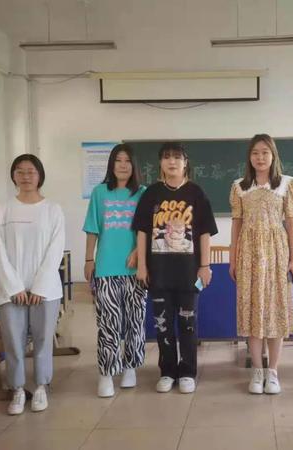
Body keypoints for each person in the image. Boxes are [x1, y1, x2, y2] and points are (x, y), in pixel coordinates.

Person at [132, 142, 218, 394]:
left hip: (189, 273)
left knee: (188, 325)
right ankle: (167, 371)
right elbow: (142, 231)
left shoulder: (196, 193)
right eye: (167, 157)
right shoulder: (151, 194)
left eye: (177, 157)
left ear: (185, 162)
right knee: (163, 325)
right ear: (160, 163)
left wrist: (205, 266)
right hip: (158, 273)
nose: (172, 161)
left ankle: (188, 371)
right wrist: (142, 266)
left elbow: (204, 232)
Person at [0, 154, 65, 415]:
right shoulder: (2, 210)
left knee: (43, 340)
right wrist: (14, 286)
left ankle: (41, 386)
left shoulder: (53, 210)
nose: (25, 176)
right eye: (20, 172)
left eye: (31, 171)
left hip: (46, 290)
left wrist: (40, 286)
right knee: (13, 341)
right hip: (10, 289)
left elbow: (55, 249)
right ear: (13, 176)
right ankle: (18, 389)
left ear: (40, 175)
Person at [229, 134, 293, 395]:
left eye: (265, 152)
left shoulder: (286, 184)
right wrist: (233, 256)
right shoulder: (239, 186)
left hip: (277, 251)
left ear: (273, 156)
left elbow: (290, 222)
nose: (260, 157)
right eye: (255, 153)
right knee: (253, 309)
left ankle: (273, 371)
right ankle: (257, 370)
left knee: (275, 308)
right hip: (249, 252)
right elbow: (236, 223)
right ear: (249, 157)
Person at [83, 143, 147, 398]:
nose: (122, 165)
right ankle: (107, 373)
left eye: (127, 161)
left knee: (135, 321)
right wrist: (89, 259)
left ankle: (130, 367)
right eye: (118, 160)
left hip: (135, 270)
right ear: (111, 165)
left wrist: (139, 252)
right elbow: (92, 228)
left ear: (134, 166)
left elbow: (147, 230)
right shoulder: (99, 192)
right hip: (106, 268)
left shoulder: (142, 193)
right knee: (108, 323)